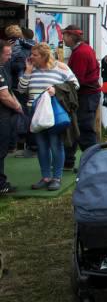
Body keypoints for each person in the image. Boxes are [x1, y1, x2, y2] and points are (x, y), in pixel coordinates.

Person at [18, 43, 80, 191]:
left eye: (35, 55)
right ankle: (45, 177)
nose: (31, 57)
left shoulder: (60, 68)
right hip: (35, 113)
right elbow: (21, 89)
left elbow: (75, 85)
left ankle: (56, 177)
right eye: (31, 54)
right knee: (41, 146)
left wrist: (56, 89)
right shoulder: (31, 69)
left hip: (53, 113)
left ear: (44, 56)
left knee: (55, 144)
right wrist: (27, 71)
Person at [62, 25, 100, 170]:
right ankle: (69, 161)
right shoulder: (83, 49)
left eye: (64, 35)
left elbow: (77, 80)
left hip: (86, 96)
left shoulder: (80, 52)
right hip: (87, 95)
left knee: (84, 129)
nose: (63, 38)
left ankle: (94, 162)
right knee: (76, 128)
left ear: (71, 36)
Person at [5, 25, 35, 158]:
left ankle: (14, 144)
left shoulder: (9, 48)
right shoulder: (31, 45)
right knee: (29, 113)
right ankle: (29, 145)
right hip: (31, 83)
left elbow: (9, 65)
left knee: (17, 113)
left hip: (17, 84)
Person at [0, 40, 23, 194]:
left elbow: (8, 91)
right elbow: (3, 95)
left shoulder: (3, 69)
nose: (9, 57)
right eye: (7, 54)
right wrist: (18, 107)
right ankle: (1, 184)